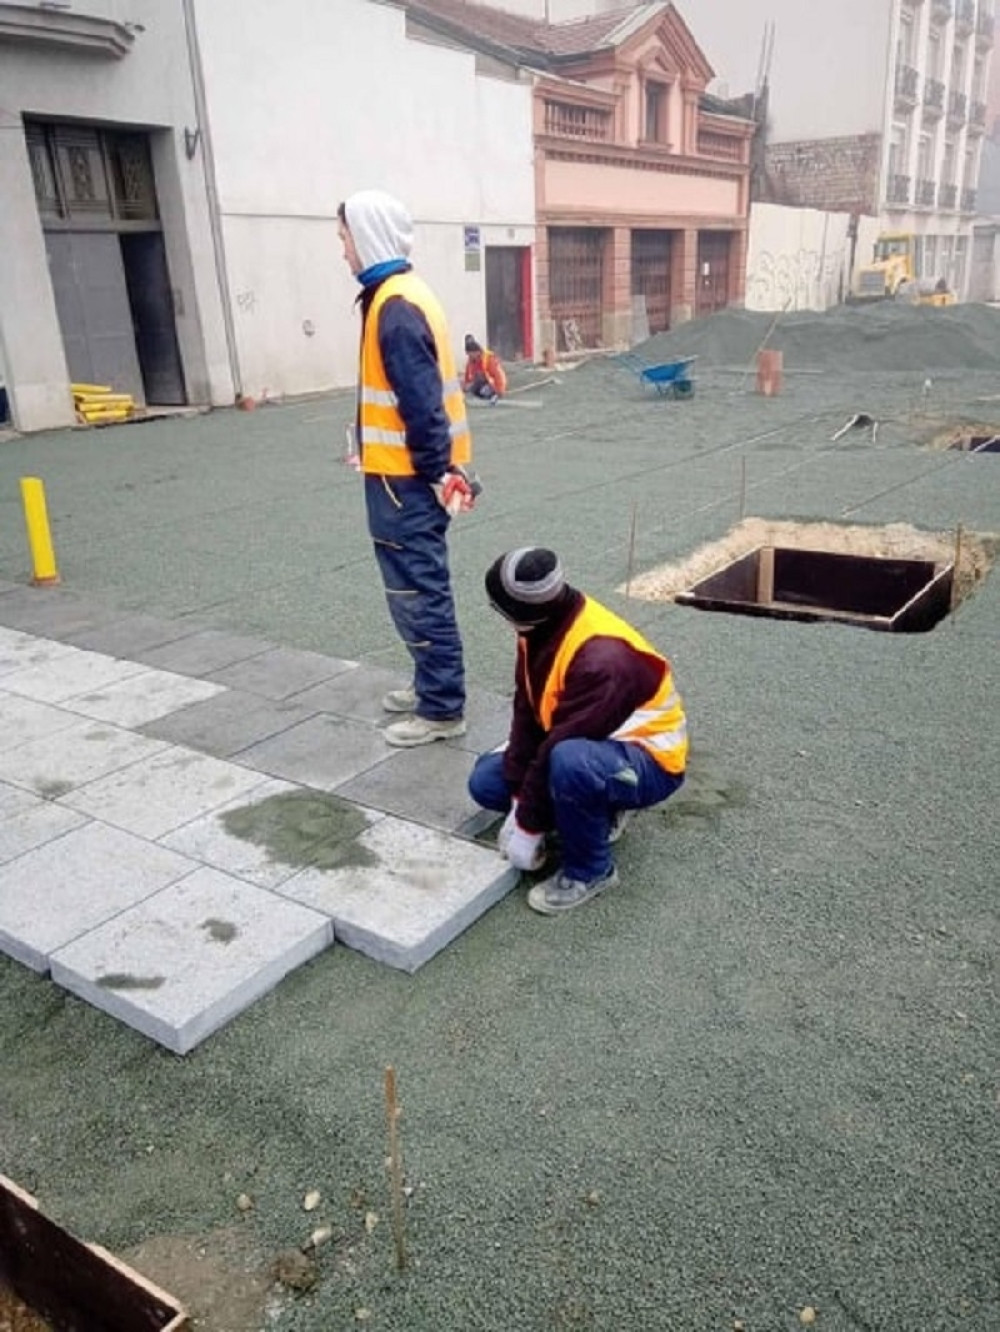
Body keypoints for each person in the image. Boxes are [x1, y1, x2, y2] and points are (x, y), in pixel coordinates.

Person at [468, 547, 688, 915]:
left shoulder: (602, 659)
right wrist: (520, 797)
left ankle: (591, 870)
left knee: (571, 764)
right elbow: (527, 713)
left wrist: (527, 825)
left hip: (650, 761)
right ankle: (597, 812)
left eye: (499, 610)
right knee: (486, 782)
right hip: (593, 743)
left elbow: (561, 742)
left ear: (522, 612)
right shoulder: (540, 627)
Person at [337, 189, 476, 747]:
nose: (343, 249)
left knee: (419, 592)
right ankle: (430, 686)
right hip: (404, 478)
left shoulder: (394, 307)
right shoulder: (400, 294)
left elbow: (422, 406)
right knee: (418, 589)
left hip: (406, 485)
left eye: (345, 237)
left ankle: (442, 708)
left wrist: (436, 471)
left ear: (366, 237)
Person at [463, 335, 507, 404]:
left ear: (476, 352)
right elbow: (467, 376)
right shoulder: (471, 361)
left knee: (483, 389)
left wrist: (500, 391)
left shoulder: (489, 359)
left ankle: (493, 395)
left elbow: (499, 375)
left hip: (492, 385)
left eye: (470, 355)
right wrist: (466, 386)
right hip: (481, 384)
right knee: (473, 385)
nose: (469, 357)